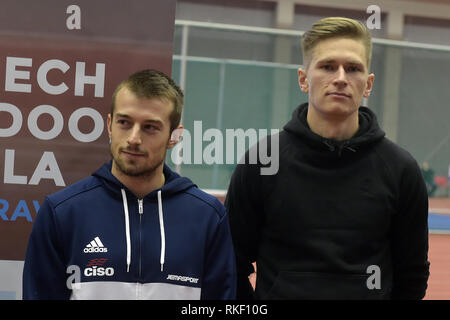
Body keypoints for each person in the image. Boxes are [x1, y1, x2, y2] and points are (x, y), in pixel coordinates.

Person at [225, 17, 429, 300]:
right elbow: (231, 263)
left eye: (353, 68)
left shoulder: (401, 170)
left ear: (368, 84)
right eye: (327, 66)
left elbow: (412, 275)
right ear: (303, 79)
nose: (341, 78)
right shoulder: (262, 162)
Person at [23, 69, 236, 300]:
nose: (134, 138)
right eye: (124, 122)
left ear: (174, 136)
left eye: (150, 127)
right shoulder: (62, 212)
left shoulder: (208, 217)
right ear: (109, 125)